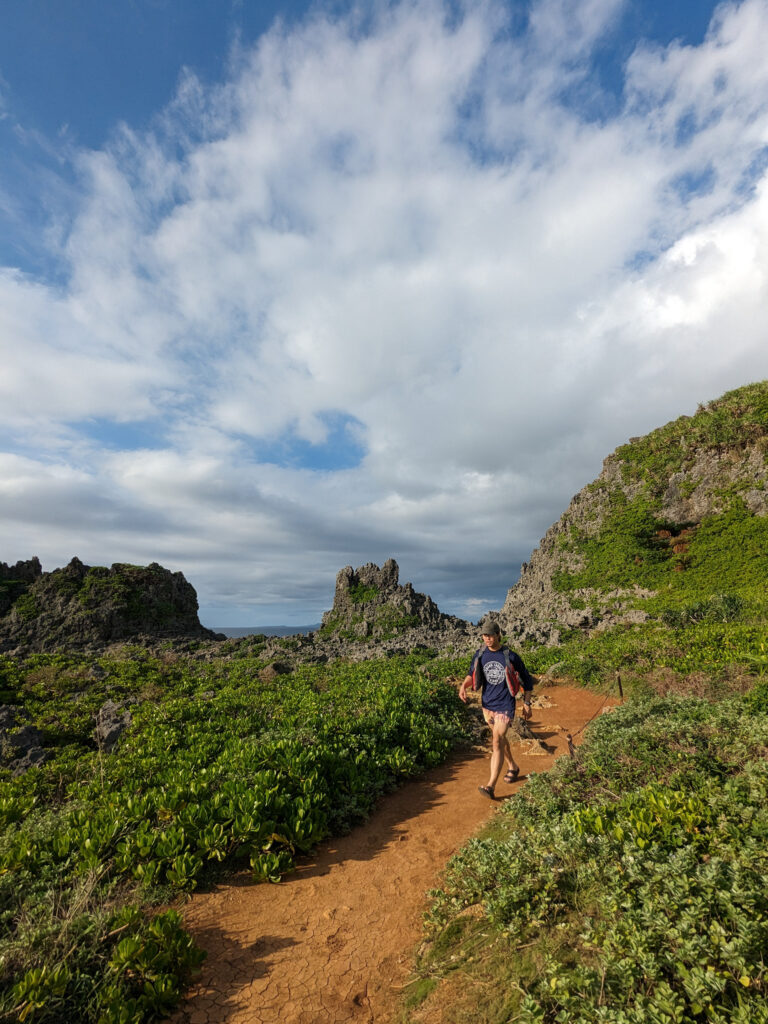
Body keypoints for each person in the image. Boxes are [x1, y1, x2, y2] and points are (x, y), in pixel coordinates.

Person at [458, 617, 535, 799]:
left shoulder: (511, 656)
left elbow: (527, 680)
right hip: (488, 705)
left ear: (498, 635)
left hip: (505, 704)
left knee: (496, 740)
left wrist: (527, 703)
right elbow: (472, 674)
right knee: (499, 740)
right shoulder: (480, 654)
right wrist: (463, 686)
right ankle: (513, 767)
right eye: (485, 635)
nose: (487, 639)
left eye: (490, 635)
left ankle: (490, 786)